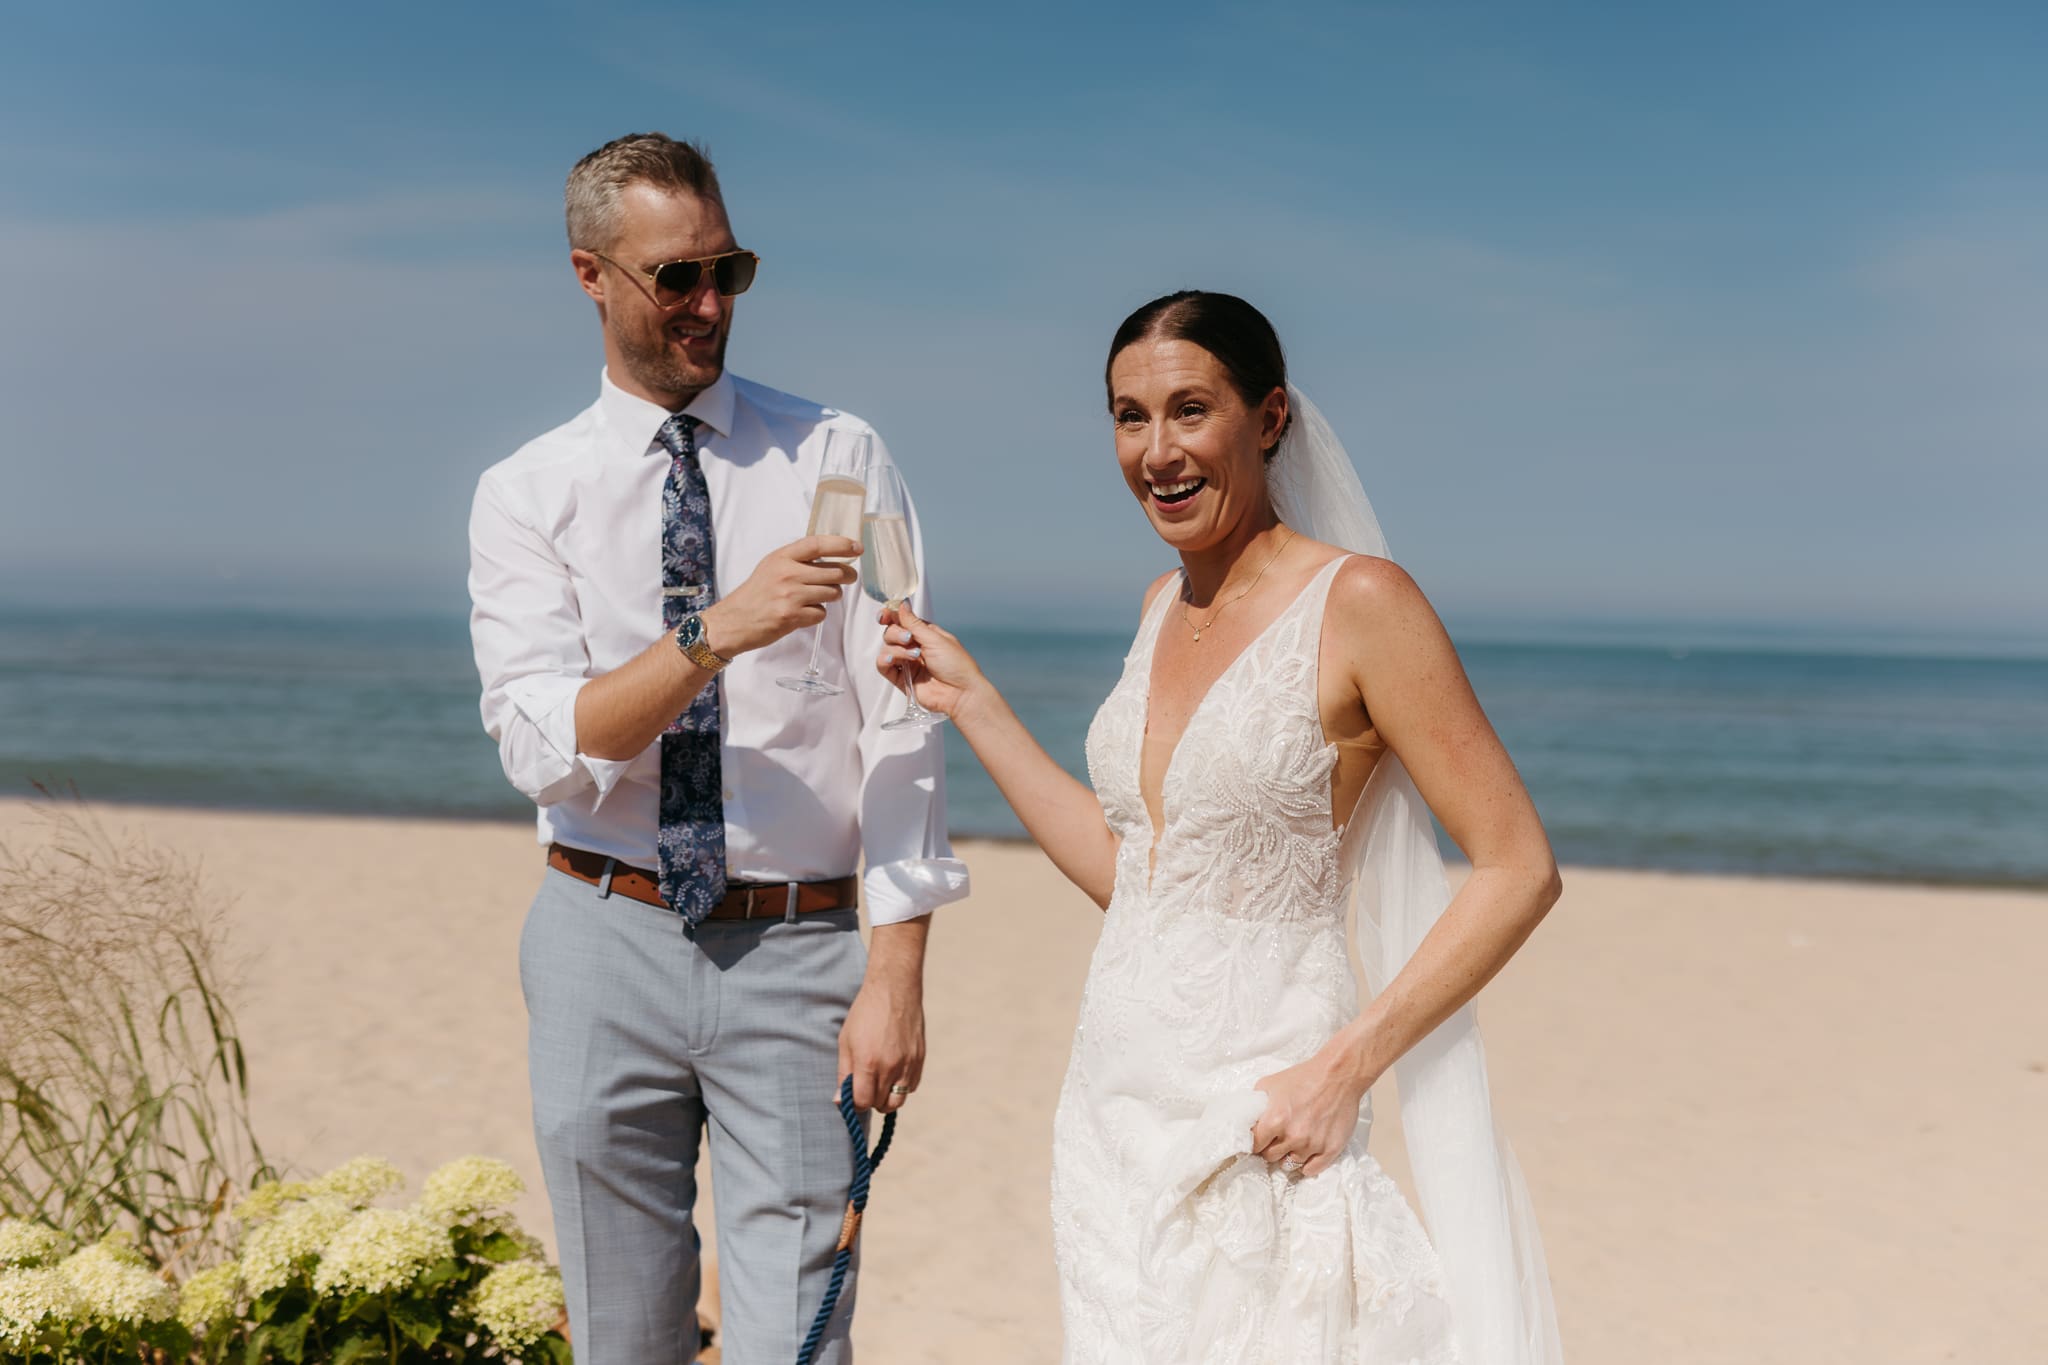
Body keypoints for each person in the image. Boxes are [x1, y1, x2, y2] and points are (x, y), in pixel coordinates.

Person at [878, 291, 1564, 1363]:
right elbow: (1139, 880)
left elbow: (1517, 866)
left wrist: (1344, 1069)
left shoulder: (1362, 604)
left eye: (1188, 410)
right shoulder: (1159, 604)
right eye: (1128, 416)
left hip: (1266, 1110)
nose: (1157, 451)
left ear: (1269, 417)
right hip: (1109, 1112)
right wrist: (972, 703)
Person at [467, 132, 966, 1365]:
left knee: (799, 1335)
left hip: (801, 949)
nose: (707, 305)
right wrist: (713, 632)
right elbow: (543, 748)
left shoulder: (838, 456)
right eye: (674, 278)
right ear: (591, 275)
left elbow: (903, 721)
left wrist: (895, 975)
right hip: (599, 936)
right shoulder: (525, 494)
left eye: (727, 272)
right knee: (620, 1333)